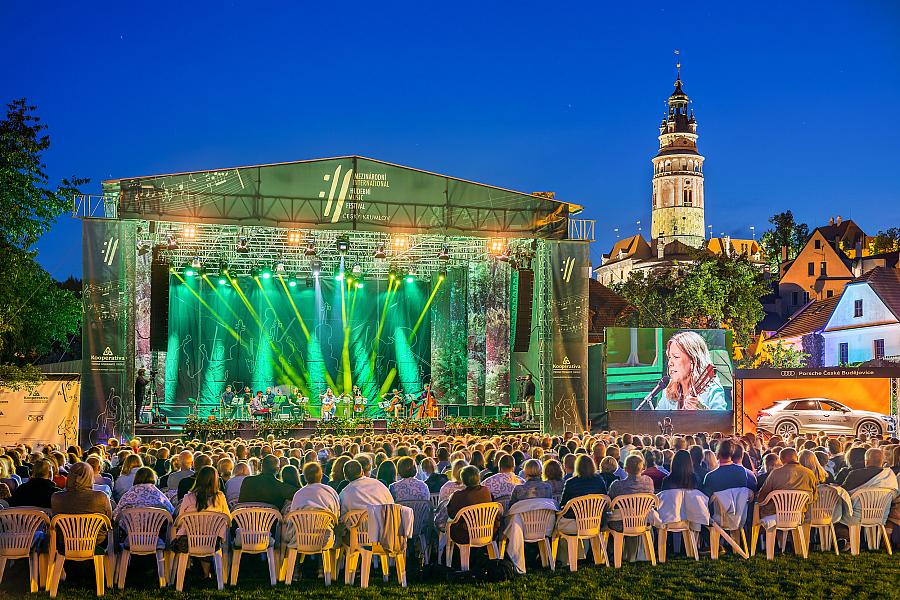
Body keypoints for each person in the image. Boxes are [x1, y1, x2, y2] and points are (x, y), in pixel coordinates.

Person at [655, 331, 727, 410]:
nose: (670, 363)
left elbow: (721, 421)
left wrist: (702, 410)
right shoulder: (668, 389)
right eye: (669, 357)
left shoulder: (712, 390)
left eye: (676, 357)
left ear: (693, 360)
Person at [50, 462, 113, 548]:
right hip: (96, 543)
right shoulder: (101, 497)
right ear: (90, 477)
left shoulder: (56, 497)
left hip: (65, 543)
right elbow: (108, 520)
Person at [756, 447, 818, 518]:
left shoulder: (775, 473)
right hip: (798, 515)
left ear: (781, 459)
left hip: (776, 514)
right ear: (797, 458)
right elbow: (814, 497)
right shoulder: (809, 473)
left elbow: (762, 495)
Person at [447, 466, 495, 545]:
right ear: (478, 477)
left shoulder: (458, 496)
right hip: (487, 531)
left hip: (465, 534)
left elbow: (451, 514)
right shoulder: (486, 491)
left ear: (462, 480)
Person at [176, 466, 230, 536]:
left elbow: (180, 521)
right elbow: (228, 518)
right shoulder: (220, 497)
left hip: (190, 540)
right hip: (213, 541)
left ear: (198, 479)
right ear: (216, 480)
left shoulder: (188, 497)